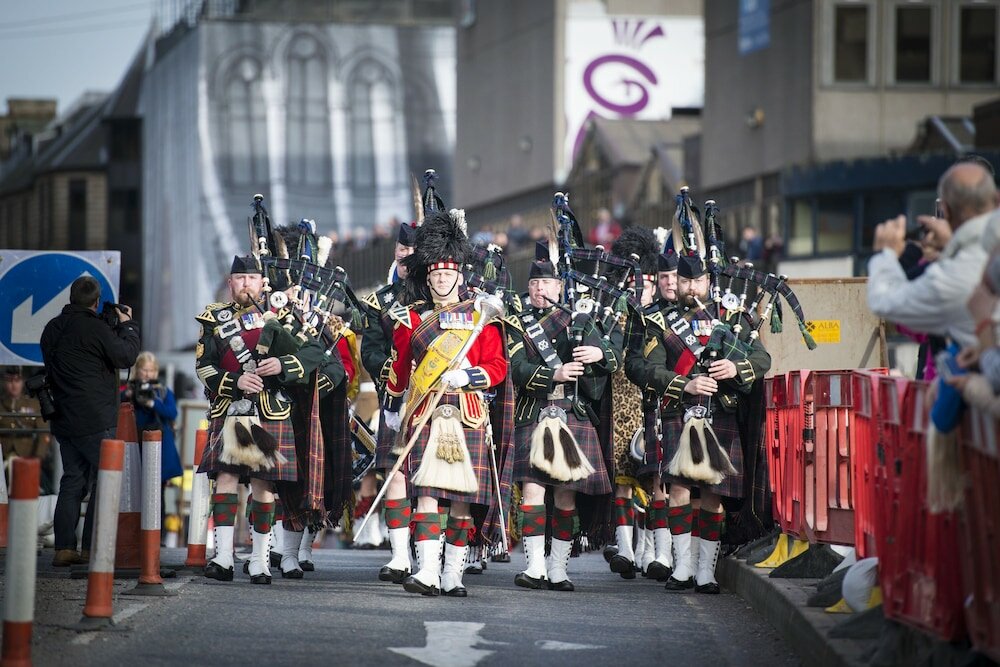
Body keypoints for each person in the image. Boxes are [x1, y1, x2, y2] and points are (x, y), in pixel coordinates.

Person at [382, 210, 509, 597]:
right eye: (435, 274)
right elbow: (400, 367)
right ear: (429, 276)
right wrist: (392, 405)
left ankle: (452, 573)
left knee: (460, 502)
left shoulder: (480, 315)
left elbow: (498, 366)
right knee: (426, 493)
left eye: (448, 273)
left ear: (459, 275)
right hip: (424, 411)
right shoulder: (411, 319)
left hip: (467, 412)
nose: (441, 279)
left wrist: (467, 376)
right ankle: (427, 572)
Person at [627, 254, 771, 594]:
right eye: (684, 282)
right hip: (680, 409)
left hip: (719, 411)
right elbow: (647, 368)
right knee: (677, 489)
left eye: (697, 282)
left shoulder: (731, 317)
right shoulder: (660, 320)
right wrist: (685, 384)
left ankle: (706, 570)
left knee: (713, 492)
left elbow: (762, 357)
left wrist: (736, 370)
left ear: (709, 281)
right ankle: (683, 566)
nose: (690, 288)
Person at [195, 255, 326, 584]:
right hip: (233, 408)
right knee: (225, 478)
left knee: (263, 485)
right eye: (239, 279)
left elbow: (314, 351)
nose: (245, 285)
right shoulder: (214, 319)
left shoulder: (281, 315)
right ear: (230, 283)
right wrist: (234, 381)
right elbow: (205, 366)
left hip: (271, 408)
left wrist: (283, 366)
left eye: (251, 279)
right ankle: (223, 556)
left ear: (262, 284)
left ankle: (259, 558)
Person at [507, 252, 617, 592]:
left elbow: (612, 357)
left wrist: (597, 354)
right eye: (536, 283)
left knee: (566, 494)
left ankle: (558, 568)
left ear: (560, 286)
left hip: (571, 412)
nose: (542, 289)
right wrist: (552, 373)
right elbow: (517, 368)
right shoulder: (517, 322)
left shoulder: (578, 319)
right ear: (529, 287)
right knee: (533, 490)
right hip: (533, 412)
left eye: (548, 282)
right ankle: (535, 566)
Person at [39, 276, 140, 566]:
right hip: (95, 419)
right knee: (105, 480)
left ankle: (64, 548)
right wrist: (128, 326)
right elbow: (125, 356)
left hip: (62, 417)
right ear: (96, 302)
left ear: (71, 298)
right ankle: (92, 547)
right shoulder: (95, 328)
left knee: (72, 479)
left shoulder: (53, 328)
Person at [868, 161, 999, 349]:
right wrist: (951, 246)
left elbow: (885, 302)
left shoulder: (951, 276)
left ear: (946, 210)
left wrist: (885, 253)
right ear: (996, 200)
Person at [360, 220, 417, 577]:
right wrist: (395, 372)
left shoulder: (441, 297)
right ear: (395, 252)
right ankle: (400, 556)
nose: (407, 258)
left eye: (413, 253)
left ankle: (429, 551)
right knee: (397, 475)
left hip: (437, 400)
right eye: (402, 252)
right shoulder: (380, 301)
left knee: (432, 479)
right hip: (396, 400)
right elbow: (370, 351)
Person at [1, 366, 53, 492]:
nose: (13, 385)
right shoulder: (1, 404)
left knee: (45, 489)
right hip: (3, 458)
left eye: (17, 380)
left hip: (29, 457)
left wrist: (38, 458)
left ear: (23, 381)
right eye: (9, 381)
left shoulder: (33, 404)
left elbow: (44, 435)